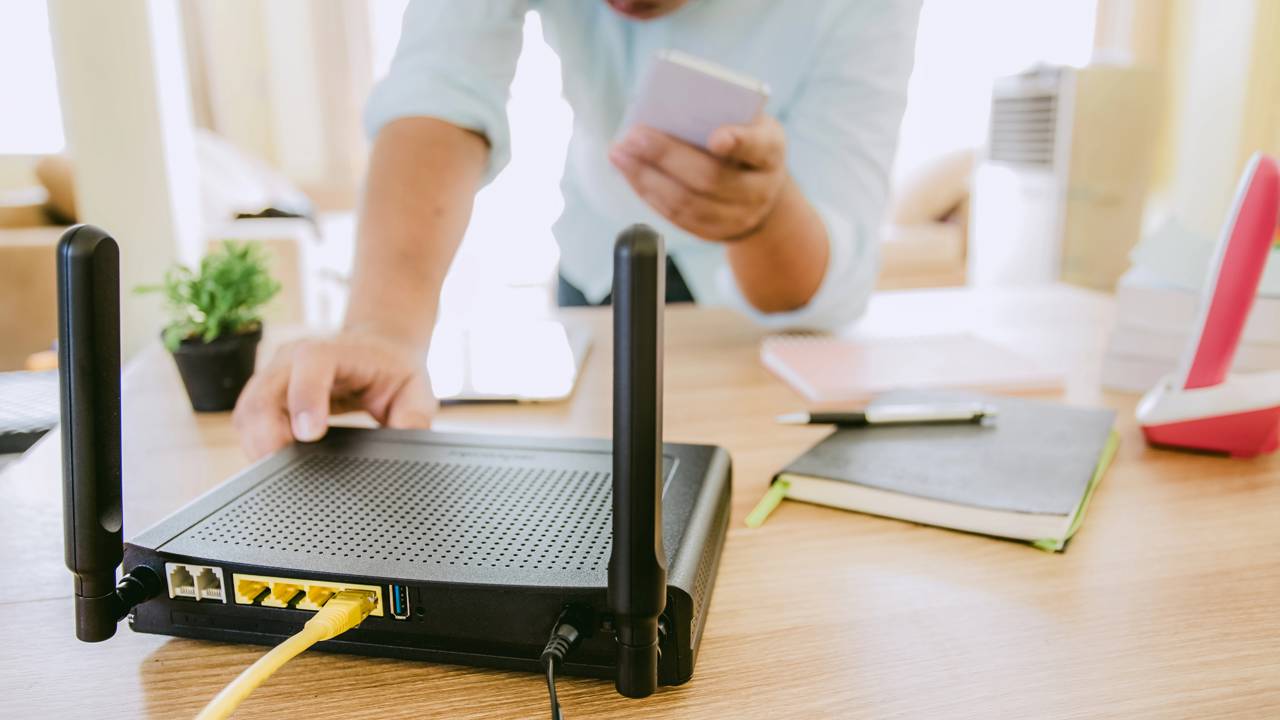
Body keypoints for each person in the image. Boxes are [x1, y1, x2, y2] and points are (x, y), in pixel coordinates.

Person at [233, 0, 921, 459]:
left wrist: (761, 217)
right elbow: (441, 85)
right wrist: (382, 331)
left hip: (769, 326)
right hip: (596, 270)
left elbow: (833, 251)